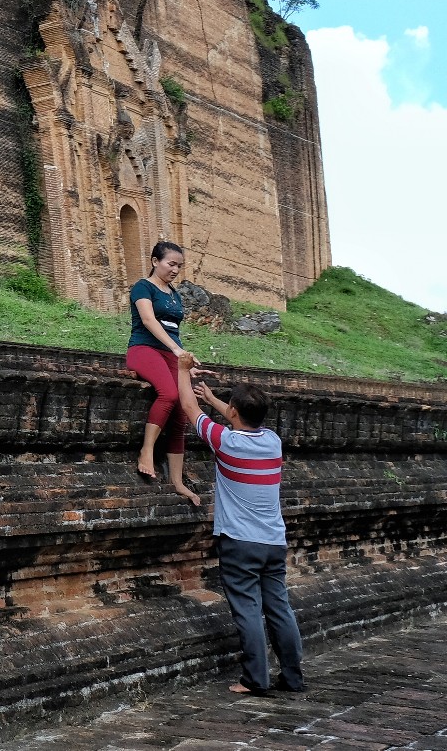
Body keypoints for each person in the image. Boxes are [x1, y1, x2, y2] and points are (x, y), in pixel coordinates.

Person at [174, 349, 306, 695]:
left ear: (233, 413)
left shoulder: (226, 442)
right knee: (279, 607)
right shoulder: (273, 442)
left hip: (239, 541)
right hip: (273, 542)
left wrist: (182, 370)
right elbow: (240, 418)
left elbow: (190, 409)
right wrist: (218, 399)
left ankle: (255, 679)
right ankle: (292, 677)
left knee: (247, 610)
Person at [128, 239, 199, 503]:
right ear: (155, 261)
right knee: (168, 394)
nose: (176, 270)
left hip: (170, 353)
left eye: (179, 266)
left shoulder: (174, 293)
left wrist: (186, 364)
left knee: (182, 410)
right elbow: (148, 321)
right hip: (144, 349)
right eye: (171, 264)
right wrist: (176, 352)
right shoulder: (142, 287)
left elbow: (174, 333)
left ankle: (178, 481)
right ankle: (146, 451)